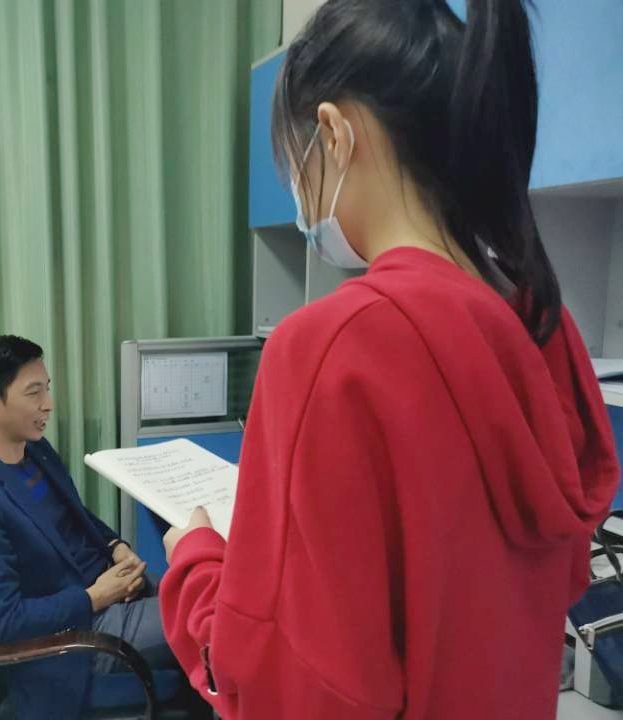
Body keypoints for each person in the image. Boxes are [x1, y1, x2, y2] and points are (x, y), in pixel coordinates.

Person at [158, 1, 620, 718]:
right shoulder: (540, 327)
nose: (300, 192)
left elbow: (284, 688)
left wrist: (195, 560)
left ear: (334, 134)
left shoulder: (333, 347)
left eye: (295, 162)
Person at [0, 335, 174, 720]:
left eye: (46, 389)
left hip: (110, 590)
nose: (48, 404)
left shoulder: (33, 451)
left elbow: (75, 515)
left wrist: (114, 545)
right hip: (78, 637)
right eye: (34, 393)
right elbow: (5, 621)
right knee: (216, 621)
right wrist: (95, 596)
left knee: (220, 596)